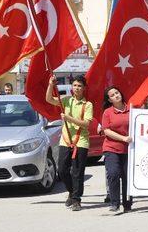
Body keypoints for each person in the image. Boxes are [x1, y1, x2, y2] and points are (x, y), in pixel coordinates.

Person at [45, 74, 93, 212]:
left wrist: (69, 118)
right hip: (65, 140)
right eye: (75, 85)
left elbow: (86, 124)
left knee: (78, 172)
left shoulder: (87, 105)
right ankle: (72, 191)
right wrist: (51, 85)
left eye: (79, 86)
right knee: (62, 170)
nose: (77, 88)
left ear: (84, 88)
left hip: (81, 141)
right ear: (71, 87)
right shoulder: (66, 100)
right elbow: (49, 99)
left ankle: (77, 199)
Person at [101, 86, 134, 212]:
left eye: (117, 92)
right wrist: (123, 138)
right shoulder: (107, 112)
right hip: (111, 148)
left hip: (128, 149)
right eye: (112, 95)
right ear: (109, 100)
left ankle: (127, 203)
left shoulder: (131, 110)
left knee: (127, 176)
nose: (116, 95)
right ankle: (114, 203)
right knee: (113, 173)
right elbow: (107, 131)